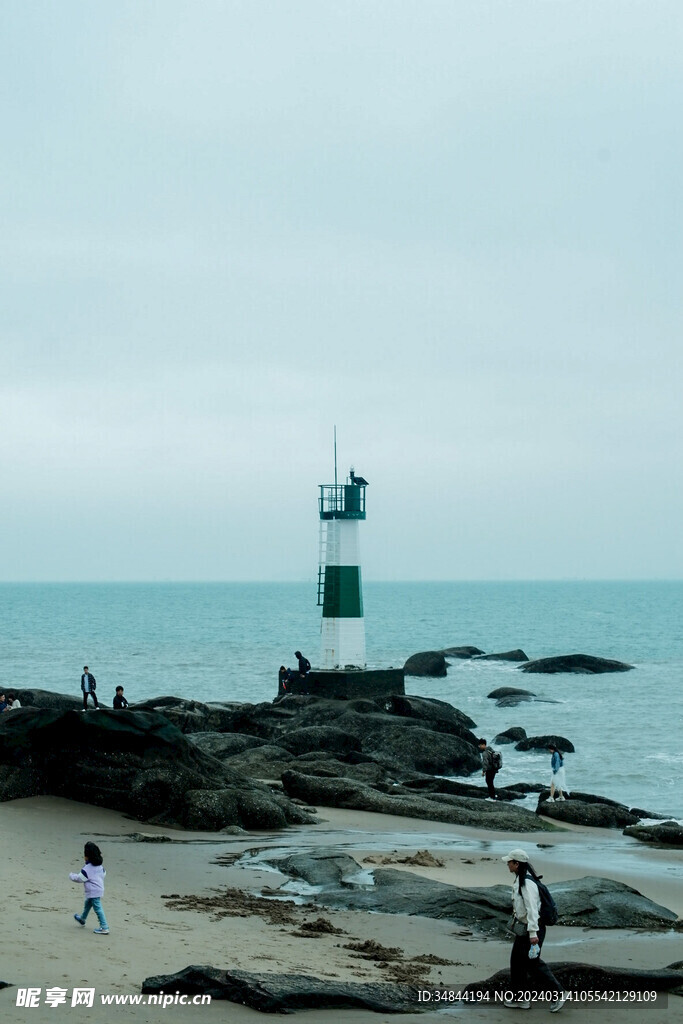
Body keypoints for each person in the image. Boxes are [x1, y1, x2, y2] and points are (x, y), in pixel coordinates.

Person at [502, 848, 567, 1012]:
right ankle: (520, 999)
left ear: (517, 864)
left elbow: (532, 910)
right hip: (525, 930)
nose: (507, 864)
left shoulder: (526, 883)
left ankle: (558, 994)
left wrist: (532, 934)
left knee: (533, 963)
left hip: (533, 930)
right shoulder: (521, 880)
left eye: (509, 862)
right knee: (516, 962)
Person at [70, 841, 109, 934]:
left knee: (98, 908)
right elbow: (104, 874)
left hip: (93, 891)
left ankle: (104, 927)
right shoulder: (100, 867)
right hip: (98, 889)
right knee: (88, 904)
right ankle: (82, 918)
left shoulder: (87, 868)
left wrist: (71, 875)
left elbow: (80, 878)